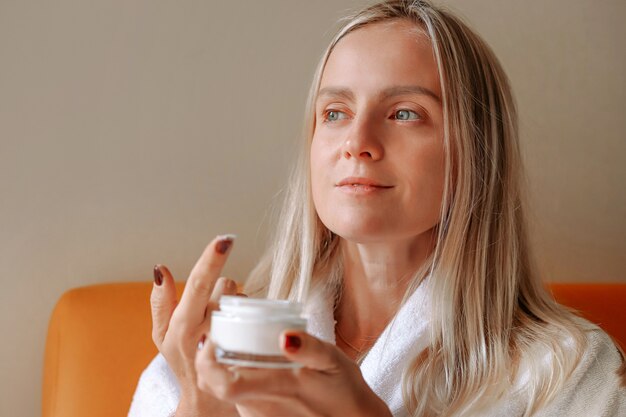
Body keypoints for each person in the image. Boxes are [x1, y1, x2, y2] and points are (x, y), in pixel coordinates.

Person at [128, 1, 626, 416]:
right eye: (335, 113)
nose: (357, 142)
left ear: (477, 151)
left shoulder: (569, 370)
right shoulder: (213, 351)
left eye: (405, 113)